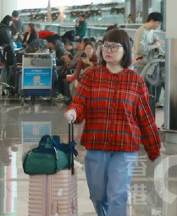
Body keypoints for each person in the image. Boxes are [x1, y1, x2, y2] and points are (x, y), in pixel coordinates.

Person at [64, 29, 161, 216]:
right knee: (98, 195)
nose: (108, 50)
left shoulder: (135, 81)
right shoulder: (92, 76)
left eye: (114, 47)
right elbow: (80, 102)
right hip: (96, 144)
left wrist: (153, 146)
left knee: (117, 194)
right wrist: (74, 111)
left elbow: (145, 117)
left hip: (126, 146)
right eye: (105, 46)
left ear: (126, 50)